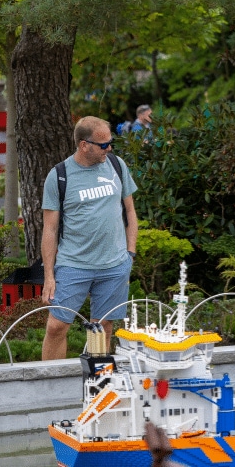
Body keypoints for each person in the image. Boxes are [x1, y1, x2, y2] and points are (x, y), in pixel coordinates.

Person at [41, 116, 138, 360]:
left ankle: (97, 385)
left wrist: (130, 254)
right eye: (103, 144)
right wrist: (49, 276)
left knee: (103, 328)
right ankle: (50, 390)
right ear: (84, 145)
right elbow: (50, 229)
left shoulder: (117, 165)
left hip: (114, 265)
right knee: (56, 327)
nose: (110, 148)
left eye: (110, 142)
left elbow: (130, 211)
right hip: (74, 264)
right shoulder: (59, 175)